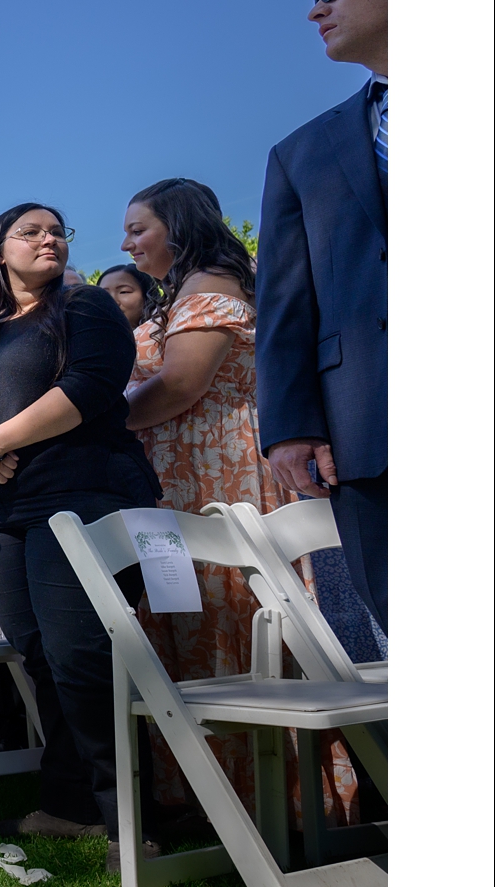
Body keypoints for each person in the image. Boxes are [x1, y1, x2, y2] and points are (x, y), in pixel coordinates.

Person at [0, 202, 158, 858]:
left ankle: (131, 819)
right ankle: (68, 802)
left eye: (57, 230)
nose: (49, 238)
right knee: (38, 656)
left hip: (78, 498)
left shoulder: (84, 308)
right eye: (32, 230)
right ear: (0, 249)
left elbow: (90, 387)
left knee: (82, 656)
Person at [122, 179, 359, 828]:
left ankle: (262, 802)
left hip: (213, 474)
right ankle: (222, 798)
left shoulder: (210, 287)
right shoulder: (202, 284)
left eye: (138, 227)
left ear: (177, 223)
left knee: (227, 612)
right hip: (191, 470)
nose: (126, 242)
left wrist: (103, 420)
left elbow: (179, 384)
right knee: (200, 616)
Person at [257, 0, 388, 634]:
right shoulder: (301, 152)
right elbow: (286, 304)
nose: (316, 7)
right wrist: (290, 426)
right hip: (369, 434)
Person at [96, 263, 156, 333]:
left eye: (124, 292)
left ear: (148, 295)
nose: (112, 301)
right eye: (104, 294)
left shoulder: (165, 332)